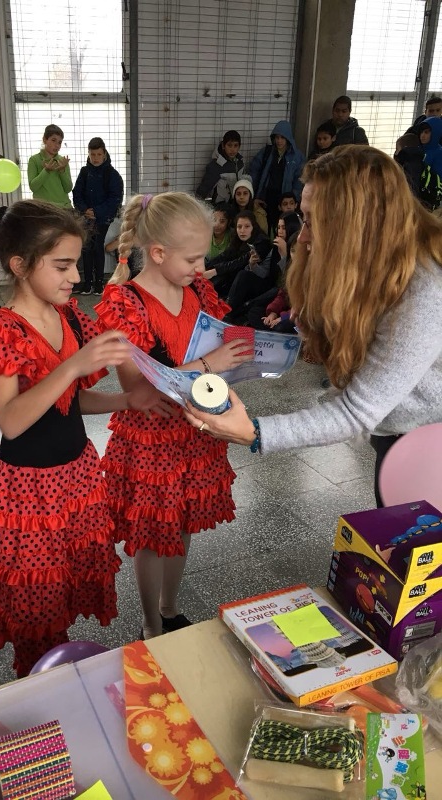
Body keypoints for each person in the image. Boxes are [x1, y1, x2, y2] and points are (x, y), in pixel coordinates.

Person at [0, 199, 160, 677]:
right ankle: (41, 686)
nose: (75, 278)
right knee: (37, 604)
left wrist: (126, 400)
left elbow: (68, 402)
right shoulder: (1, 330)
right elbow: (12, 420)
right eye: (62, 266)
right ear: (20, 265)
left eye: (76, 265)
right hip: (29, 491)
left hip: (76, 477)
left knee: (64, 584)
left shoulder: (68, 318)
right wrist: (73, 366)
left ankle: (59, 674)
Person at [184, 146, 442, 508]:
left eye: (313, 222)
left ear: (357, 225)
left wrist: (255, 432)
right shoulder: (368, 262)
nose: (302, 237)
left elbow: (355, 412)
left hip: (427, 442)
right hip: (395, 430)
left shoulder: (423, 291)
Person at [95, 192, 252, 640]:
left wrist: (243, 357)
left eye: (204, 257)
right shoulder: (126, 302)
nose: (202, 269)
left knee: (182, 523)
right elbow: (139, 388)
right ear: (159, 253)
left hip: (194, 428)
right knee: (151, 534)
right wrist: (209, 364)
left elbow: (216, 349)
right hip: (150, 438)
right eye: (193, 259)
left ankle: (170, 607)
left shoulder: (198, 291)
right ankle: (150, 622)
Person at [72, 137, 124, 295]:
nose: (95, 158)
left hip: (103, 217)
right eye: (92, 154)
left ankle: (99, 283)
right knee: (87, 247)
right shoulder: (84, 172)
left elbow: (115, 198)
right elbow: (77, 193)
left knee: (97, 246)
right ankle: (88, 283)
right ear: (88, 154)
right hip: (86, 216)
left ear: (104, 154)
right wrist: (84, 209)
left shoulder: (112, 174)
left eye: (99, 154)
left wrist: (97, 211)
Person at [248, 121, 305, 234]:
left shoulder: (297, 157)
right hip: (266, 198)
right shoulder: (267, 152)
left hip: (285, 200)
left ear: (288, 138)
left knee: (284, 228)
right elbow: (254, 172)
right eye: (277, 137)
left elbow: (299, 180)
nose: (279, 141)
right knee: (265, 227)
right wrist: (253, 195)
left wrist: (292, 201)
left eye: (282, 138)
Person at [27, 124, 73, 208]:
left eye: (59, 142)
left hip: (64, 208)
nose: (57, 145)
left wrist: (62, 171)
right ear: (44, 139)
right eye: (53, 140)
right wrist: (46, 171)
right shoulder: (34, 160)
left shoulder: (62, 161)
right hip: (44, 209)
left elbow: (68, 189)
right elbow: (33, 187)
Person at [196, 130, 245, 204]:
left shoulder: (240, 163)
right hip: (219, 206)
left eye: (235, 145)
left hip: (237, 204)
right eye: (229, 145)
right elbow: (202, 191)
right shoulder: (215, 166)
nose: (232, 149)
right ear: (223, 145)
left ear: (239, 146)